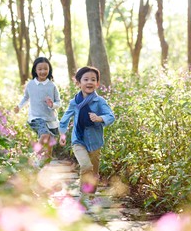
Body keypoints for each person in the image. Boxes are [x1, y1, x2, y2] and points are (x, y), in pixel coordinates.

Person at [59, 66, 115, 201]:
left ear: (97, 83)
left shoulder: (100, 101)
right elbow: (65, 119)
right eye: (86, 79)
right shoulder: (74, 102)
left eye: (93, 79)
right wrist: (62, 134)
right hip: (78, 140)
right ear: (78, 83)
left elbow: (111, 116)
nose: (89, 82)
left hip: (95, 141)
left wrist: (99, 118)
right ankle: (84, 194)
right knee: (86, 166)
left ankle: (90, 195)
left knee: (93, 172)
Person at [14, 57, 61, 167]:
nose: (43, 71)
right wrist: (19, 107)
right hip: (36, 117)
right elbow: (26, 98)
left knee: (49, 147)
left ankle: (44, 169)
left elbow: (58, 102)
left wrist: (52, 105)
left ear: (49, 70)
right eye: (40, 69)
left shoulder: (52, 86)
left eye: (45, 69)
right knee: (44, 136)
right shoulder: (30, 84)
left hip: (51, 119)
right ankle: (33, 157)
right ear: (35, 70)